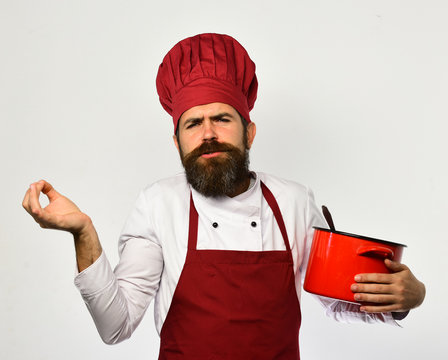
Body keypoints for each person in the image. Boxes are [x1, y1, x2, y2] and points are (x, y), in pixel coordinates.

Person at [22, 33, 425, 359]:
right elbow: (115, 326)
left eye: (222, 119)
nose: (208, 133)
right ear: (176, 141)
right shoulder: (158, 204)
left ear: (249, 132)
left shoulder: (295, 201)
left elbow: (338, 303)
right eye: (193, 123)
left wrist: (404, 298)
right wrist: (83, 233)